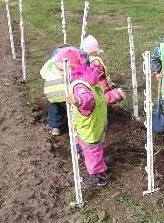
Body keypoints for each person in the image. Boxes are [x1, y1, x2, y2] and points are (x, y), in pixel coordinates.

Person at [55, 47, 108, 187]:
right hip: (94, 122)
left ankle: (98, 176)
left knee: (92, 152)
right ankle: (80, 146)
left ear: (71, 67)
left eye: (62, 70)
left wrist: (78, 100)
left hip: (90, 126)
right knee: (87, 143)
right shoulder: (86, 77)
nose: (60, 74)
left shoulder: (79, 86)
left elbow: (87, 98)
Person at [82, 35, 126, 105]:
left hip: (100, 85)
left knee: (101, 100)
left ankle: (117, 94)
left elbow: (93, 76)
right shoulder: (95, 59)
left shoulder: (94, 62)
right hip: (103, 83)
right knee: (101, 100)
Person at [40, 46, 69, 136]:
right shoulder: (68, 62)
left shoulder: (49, 63)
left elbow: (42, 74)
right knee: (70, 108)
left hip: (51, 92)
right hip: (65, 92)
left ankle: (55, 128)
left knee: (55, 107)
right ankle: (73, 126)